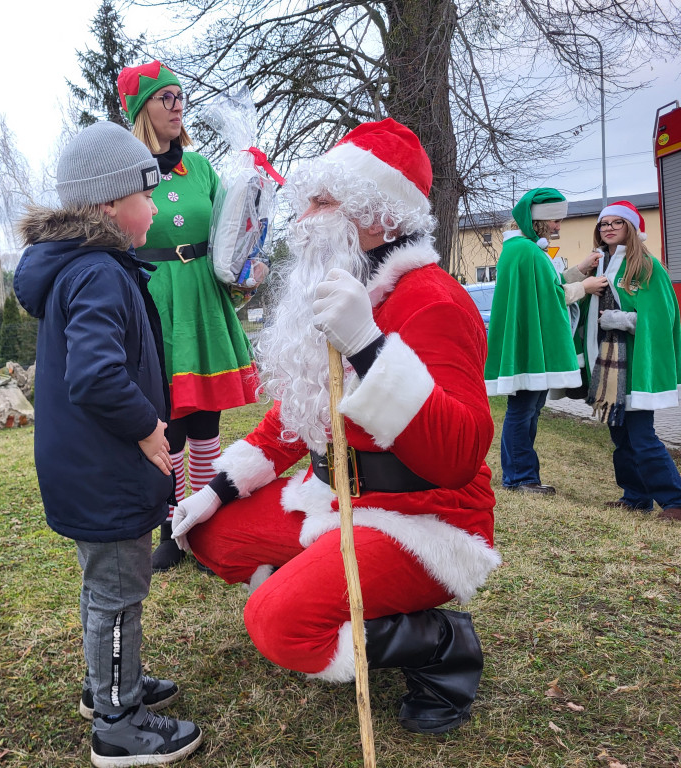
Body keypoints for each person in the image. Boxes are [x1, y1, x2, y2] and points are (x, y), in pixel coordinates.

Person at [171, 119, 502, 735]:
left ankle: (437, 641)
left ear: (376, 212)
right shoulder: (342, 285)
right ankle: (327, 588)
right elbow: (296, 417)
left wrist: (370, 347)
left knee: (277, 625)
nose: (304, 219)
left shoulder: (434, 300)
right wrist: (216, 489)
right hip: (335, 496)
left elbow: (458, 455)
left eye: (323, 202)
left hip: (421, 515)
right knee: (214, 536)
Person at [13, 121, 203, 767]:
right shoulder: (96, 271)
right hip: (105, 470)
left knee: (107, 589)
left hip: (89, 468)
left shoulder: (85, 266)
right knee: (119, 594)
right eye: (147, 194)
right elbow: (95, 376)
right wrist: (150, 430)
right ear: (109, 205)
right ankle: (119, 726)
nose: (156, 206)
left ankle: (109, 686)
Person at [116, 61, 260, 570]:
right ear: (141, 110)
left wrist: (249, 259)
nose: (178, 106)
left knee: (205, 419)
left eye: (180, 96)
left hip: (203, 294)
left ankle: (202, 523)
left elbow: (232, 228)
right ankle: (171, 525)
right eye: (165, 98)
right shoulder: (127, 170)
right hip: (157, 298)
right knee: (168, 420)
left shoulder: (198, 168)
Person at [484, 188, 606, 494]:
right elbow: (551, 296)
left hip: (526, 342)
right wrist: (586, 287)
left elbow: (547, 285)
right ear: (538, 221)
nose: (558, 227)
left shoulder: (523, 250)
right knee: (523, 410)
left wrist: (579, 271)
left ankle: (519, 474)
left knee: (526, 409)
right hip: (529, 345)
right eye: (554, 221)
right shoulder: (527, 252)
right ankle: (520, 478)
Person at [577, 201, 681, 522]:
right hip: (608, 363)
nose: (608, 228)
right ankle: (635, 498)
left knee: (642, 437)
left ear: (631, 228)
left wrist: (616, 319)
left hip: (635, 364)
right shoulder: (600, 264)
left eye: (616, 223)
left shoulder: (647, 266)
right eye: (603, 223)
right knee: (620, 437)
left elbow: (660, 319)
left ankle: (675, 501)